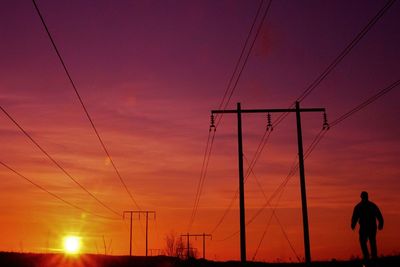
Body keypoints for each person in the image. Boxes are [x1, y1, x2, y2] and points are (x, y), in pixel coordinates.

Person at [351, 191, 384, 261]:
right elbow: (355, 217)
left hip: (371, 227)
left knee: (372, 241)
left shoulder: (371, 206)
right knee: (363, 242)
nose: (364, 198)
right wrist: (353, 224)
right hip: (364, 227)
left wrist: (381, 223)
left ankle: (373, 256)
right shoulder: (359, 207)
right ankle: (367, 255)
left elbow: (378, 215)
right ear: (362, 197)